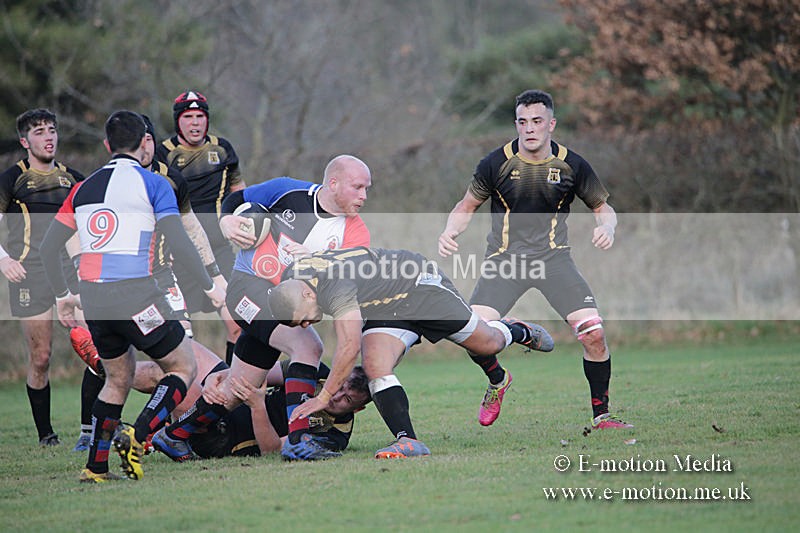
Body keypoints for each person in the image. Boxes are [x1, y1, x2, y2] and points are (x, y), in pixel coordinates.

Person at [40, 110, 225, 483]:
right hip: (137, 296)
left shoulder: (81, 188)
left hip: (94, 300)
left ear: (107, 145)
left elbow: (47, 249)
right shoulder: (153, 184)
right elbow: (179, 241)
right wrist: (209, 284)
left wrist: (63, 295)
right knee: (183, 366)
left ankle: (95, 468)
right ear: (145, 143)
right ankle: (138, 436)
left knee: (116, 379)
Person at [154, 154, 373, 462]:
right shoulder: (287, 191)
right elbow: (236, 199)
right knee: (308, 348)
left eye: (367, 189)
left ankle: (174, 435)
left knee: (236, 389)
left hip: (289, 310)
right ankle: (298, 439)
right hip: (248, 288)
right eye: (358, 187)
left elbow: (343, 280)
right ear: (333, 183)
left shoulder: (356, 233)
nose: (364, 196)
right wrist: (226, 220)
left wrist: (313, 256)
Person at [438, 89, 632, 430]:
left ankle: (602, 416)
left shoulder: (572, 165)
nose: (530, 129)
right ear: (516, 124)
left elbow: (603, 207)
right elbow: (466, 206)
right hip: (505, 262)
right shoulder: (494, 163)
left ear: (551, 125)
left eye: (537, 121)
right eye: (523, 122)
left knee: (594, 335)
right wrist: (449, 231)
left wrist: (609, 228)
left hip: (554, 262)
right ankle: (499, 379)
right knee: (470, 334)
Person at [270, 246, 553, 458]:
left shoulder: (334, 286)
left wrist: (324, 396)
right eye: (300, 324)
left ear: (308, 295)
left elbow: (349, 346)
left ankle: (515, 330)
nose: (307, 324)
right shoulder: (293, 281)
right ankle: (408, 440)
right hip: (386, 306)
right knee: (375, 365)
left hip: (419, 286)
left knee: (488, 343)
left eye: (304, 318)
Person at [71, 333, 371, 459]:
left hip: (226, 434)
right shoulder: (319, 372)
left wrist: (256, 405)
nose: (335, 395)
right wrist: (222, 378)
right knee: (186, 356)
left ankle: (109, 369)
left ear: (357, 410)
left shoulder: (334, 435)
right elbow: (263, 373)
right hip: (237, 395)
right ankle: (108, 363)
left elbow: (271, 450)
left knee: (175, 377)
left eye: (346, 399)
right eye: (339, 385)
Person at [0, 108, 91, 447]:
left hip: (71, 275)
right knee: (41, 357)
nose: (48, 136)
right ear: (25, 141)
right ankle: (46, 435)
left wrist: (86, 264)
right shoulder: (11, 179)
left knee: (94, 348)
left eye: (51, 130)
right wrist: (4, 259)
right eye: (39, 132)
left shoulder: (75, 179)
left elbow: (88, 227)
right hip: (31, 275)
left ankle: (89, 430)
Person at [155, 90, 243, 363]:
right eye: (188, 117)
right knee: (182, 332)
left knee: (239, 324)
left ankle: (233, 390)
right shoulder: (163, 153)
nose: (195, 123)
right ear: (178, 121)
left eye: (200, 116)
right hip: (180, 255)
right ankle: (185, 394)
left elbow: (239, 192)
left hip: (220, 249)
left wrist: (245, 222)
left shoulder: (223, 149)